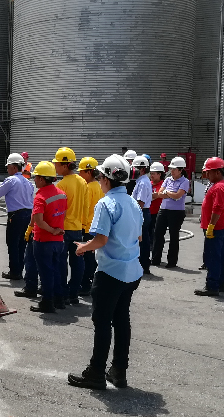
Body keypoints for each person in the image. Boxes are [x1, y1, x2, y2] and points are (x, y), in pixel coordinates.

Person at [68, 154, 143, 390]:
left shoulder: (106, 203)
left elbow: (100, 239)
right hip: (131, 271)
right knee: (122, 320)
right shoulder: (132, 202)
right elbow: (139, 236)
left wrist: (83, 248)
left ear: (107, 179)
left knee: (102, 322)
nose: (99, 180)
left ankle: (96, 372)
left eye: (101, 176)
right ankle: (119, 370)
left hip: (111, 272)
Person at [25, 161, 67, 313]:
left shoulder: (40, 196)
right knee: (56, 270)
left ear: (42, 179)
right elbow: (63, 214)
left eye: (36, 177)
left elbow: (39, 220)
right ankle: (59, 300)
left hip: (44, 240)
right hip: (59, 240)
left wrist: (51, 230)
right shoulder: (62, 194)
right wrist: (57, 230)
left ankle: (47, 302)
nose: (34, 180)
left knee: (45, 273)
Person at [54, 147, 87, 305]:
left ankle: (62, 294)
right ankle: (73, 293)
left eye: (57, 164)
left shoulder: (61, 185)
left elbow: (59, 210)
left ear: (65, 165)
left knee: (61, 262)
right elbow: (86, 206)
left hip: (63, 228)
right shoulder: (82, 181)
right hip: (78, 227)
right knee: (77, 263)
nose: (55, 167)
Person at [195, 157, 224, 296]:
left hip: (216, 228)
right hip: (222, 226)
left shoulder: (219, 187)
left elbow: (217, 208)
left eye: (209, 173)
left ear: (217, 172)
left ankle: (212, 285)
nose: (207, 176)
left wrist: (211, 226)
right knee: (220, 255)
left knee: (213, 257)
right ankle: (220, 283)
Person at [151, 156, 190, 268]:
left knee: (174, 236)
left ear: (180, 170)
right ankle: (155, 259)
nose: (171, 171)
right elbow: (159, 193)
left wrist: (168, 193)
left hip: (176, 212)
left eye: (174, 169)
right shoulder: (168, 180)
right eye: (171, 169)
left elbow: (178, 195)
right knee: (158, 234)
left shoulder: (185, 181)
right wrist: (170, 193)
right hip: (163, 210)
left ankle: (172, 261)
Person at [78, 157, 103, 297]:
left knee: (86, 259)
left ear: (88, 172)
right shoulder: (100, 185)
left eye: (81, 172)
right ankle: (93, 283)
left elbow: (85, 208)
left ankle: (85, 286)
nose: (80, 174)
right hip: (98, 227)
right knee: (94, 259)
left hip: (87, 227)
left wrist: (81, 225)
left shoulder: (87, 187)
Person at [131, 156, 152, 274]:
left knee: (142, 240)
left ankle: (143, 265)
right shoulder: (141, 181)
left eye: (136, 168)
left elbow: (141, 202)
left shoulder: (143, 183)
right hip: (142, 212)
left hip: (142, 212)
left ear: (142, 169)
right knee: (142, 239)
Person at [148, 162, 166, 248]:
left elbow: (156, 195)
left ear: (159, 174)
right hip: (148, 212)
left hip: (158, 213)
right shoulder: (148, 183)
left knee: (156, 233)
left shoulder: (163, 185)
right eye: (151, 173)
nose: (151, 176)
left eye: (153, 174)